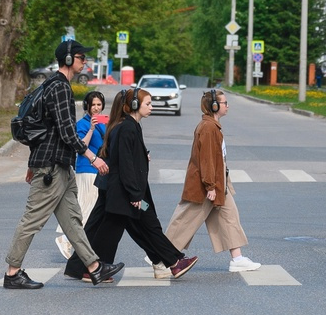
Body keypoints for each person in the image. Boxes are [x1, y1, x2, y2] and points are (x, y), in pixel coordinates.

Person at [2, 40, 123, 289]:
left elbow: (44, 131)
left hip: (61, 166)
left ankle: (94, 267)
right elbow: (68, 132)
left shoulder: (54, 85)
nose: (84, 62)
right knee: (32, 220)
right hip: (51, 168)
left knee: (72, 219)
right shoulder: (59, 88)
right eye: (81, 57)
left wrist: (32, 163)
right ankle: (12, 273)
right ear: (68, 59)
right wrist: (92, 157)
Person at [90, 87, 195, 280]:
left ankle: (171, 262)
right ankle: (174, 262)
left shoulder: (132, 126)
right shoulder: (127, 128)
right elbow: (125, 165)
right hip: (128, 194)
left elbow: (130, 158)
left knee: (144, 226)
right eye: (148, 103)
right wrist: (135, 194)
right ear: (135, 105)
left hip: (130, 193)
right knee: (134, 228)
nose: (151, 107)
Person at [165, 89, 261, 273]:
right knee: (185, 219)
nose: (228, 106)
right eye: (225, 103)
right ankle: (159, 254)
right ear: (215, 106)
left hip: (217, 182)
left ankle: (237, 259)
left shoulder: (212, 126)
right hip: (207, 185)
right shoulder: (208, 128)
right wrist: (210, 186)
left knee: (229, 217)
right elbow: (207, 160)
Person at [56, 90, 107, 260]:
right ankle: (66, 240)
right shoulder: (82, 124)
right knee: (87, 208)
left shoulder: (103, 123)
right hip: (87, 170)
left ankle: (81, 245)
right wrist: (91, 129)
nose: (96, 108)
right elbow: (80, 146)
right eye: (93, 105)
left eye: (99, 104)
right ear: (87, 106)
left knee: (89, 208)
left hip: (100, 171)